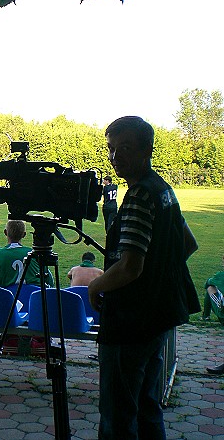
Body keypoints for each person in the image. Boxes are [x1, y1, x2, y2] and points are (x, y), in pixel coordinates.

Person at [87, 116, 200, 439]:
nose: (115, 157)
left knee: (118, 413)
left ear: (147, 149)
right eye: (110, 149)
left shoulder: (138, 195)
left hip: (131, 321)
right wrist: (158, 277)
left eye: (124, 148)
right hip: (160, 315)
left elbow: (130, 266)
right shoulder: (164, 190)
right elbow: (187, 244)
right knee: (148, 407)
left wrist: (96, 283)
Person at [0, 220, 54, 288]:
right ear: (24, 235)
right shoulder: (36, 254)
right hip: (32, 300)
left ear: (5, 232)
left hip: (8, 301)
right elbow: (49, 281)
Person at [202, 255, 224, 375]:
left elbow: (208, 282)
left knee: (210, 288)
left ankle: (205, 315)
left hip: (223, 314)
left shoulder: (220, 276)